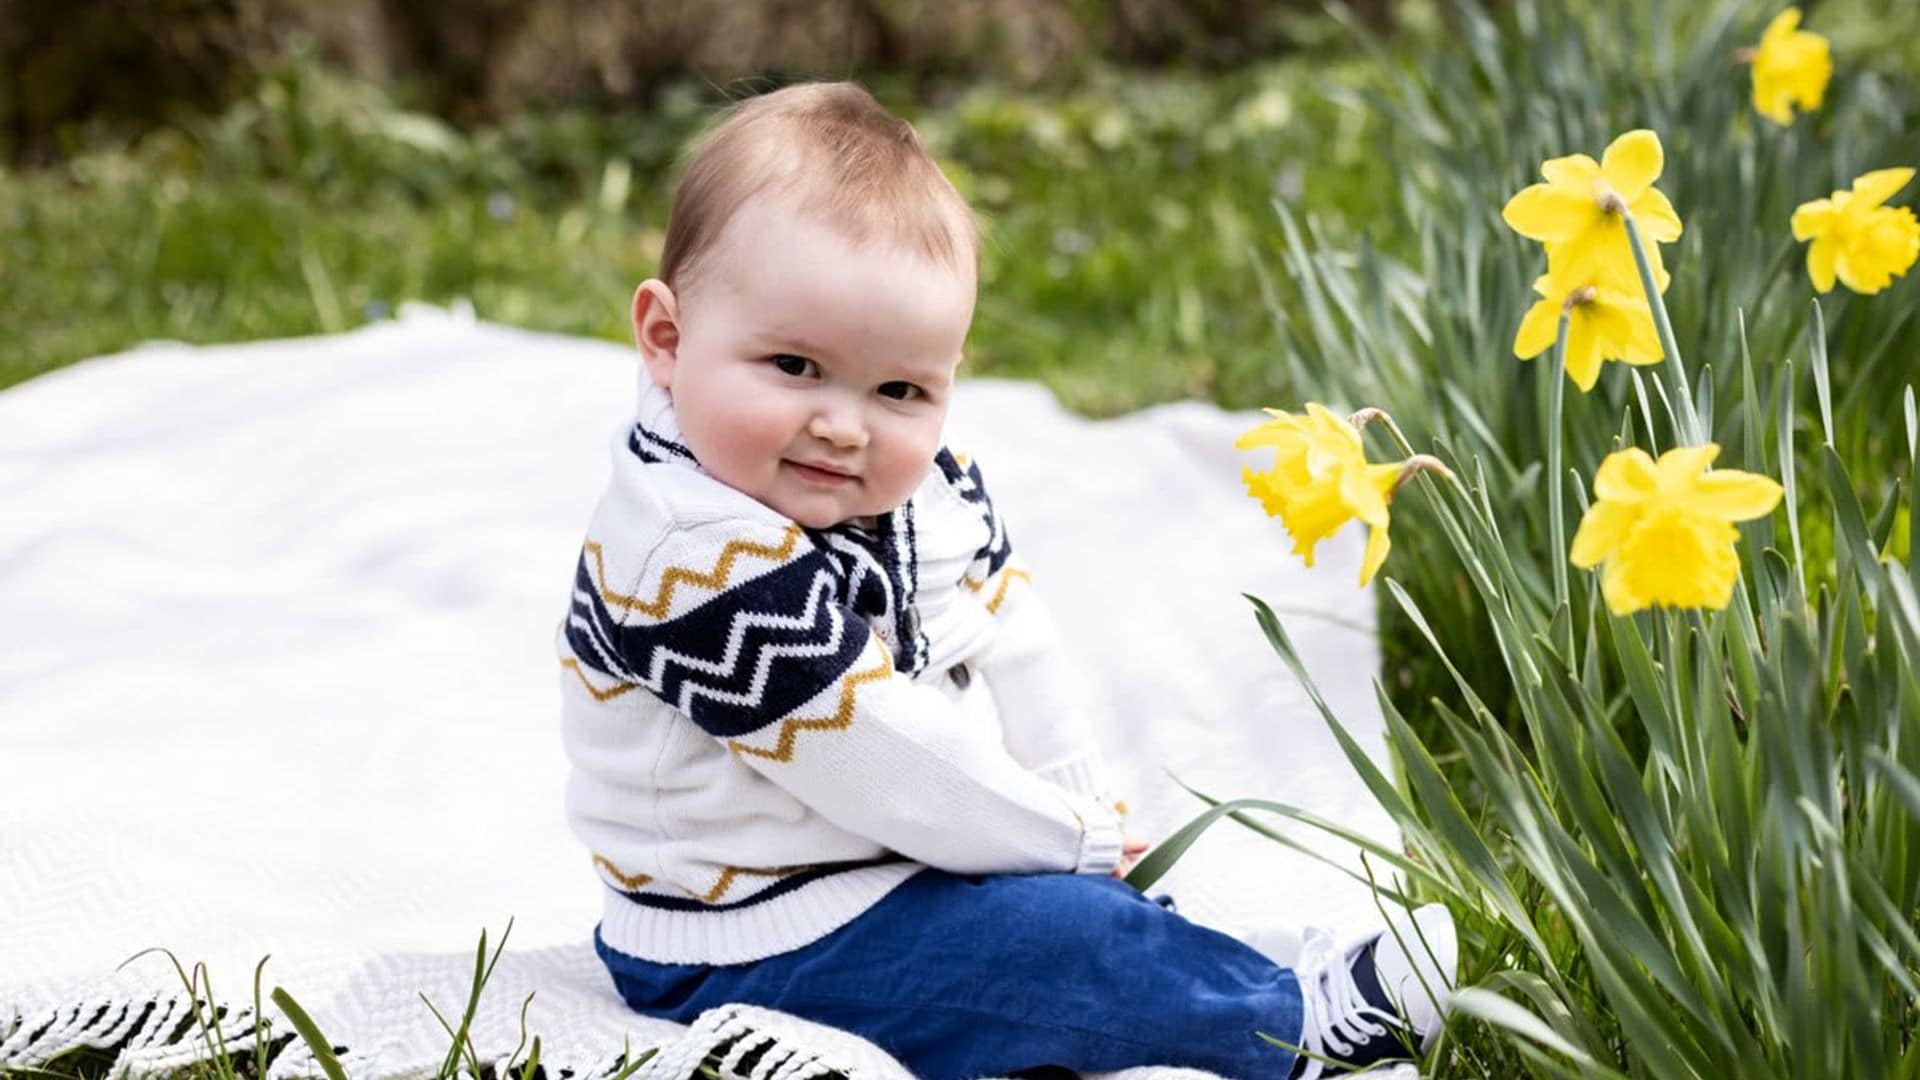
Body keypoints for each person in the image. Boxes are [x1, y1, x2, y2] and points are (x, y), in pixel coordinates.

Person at [556, 80, 1456, 1079]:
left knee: (1071, 922)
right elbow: (878, 753)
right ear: (667, 340)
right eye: (793, 366)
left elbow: (1009, 637)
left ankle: (1222, 978)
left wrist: (1079, 806)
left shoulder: (911, 497)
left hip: (880, 865)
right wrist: (1060, 839)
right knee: (1039, 955)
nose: (846, 424)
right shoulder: (685, 554)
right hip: (744, 934)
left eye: (900, 389)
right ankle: (1291, 1027)